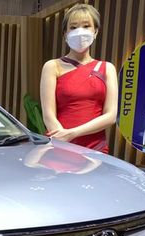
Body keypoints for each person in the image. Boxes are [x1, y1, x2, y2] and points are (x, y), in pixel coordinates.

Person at [39, 3, 117, 153]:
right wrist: (63, 139)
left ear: (95, 31)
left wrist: (72, 133)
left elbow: (111, 116)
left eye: (86, 26)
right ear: (65, 34)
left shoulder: (107, 68)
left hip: (95, 149)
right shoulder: (52, 66)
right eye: (73, 27)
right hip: (59, 145)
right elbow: (48, 115)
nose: (80, 31)